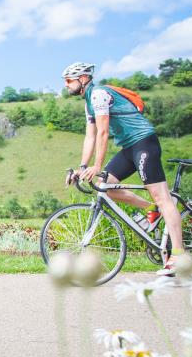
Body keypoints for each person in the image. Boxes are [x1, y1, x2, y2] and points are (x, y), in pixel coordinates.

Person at [63, 62, 184, 275]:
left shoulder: (98, 94)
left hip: (144, 143)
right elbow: (90, 136)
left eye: (69, 80)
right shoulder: (88, 102)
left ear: (83, 79)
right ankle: (151, 210)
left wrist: (97, 165)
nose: (66, 85)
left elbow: (103, 132)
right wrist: (82, 167)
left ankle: (178, 255)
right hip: (129, 148)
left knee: (163, 198)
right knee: (105, 186)